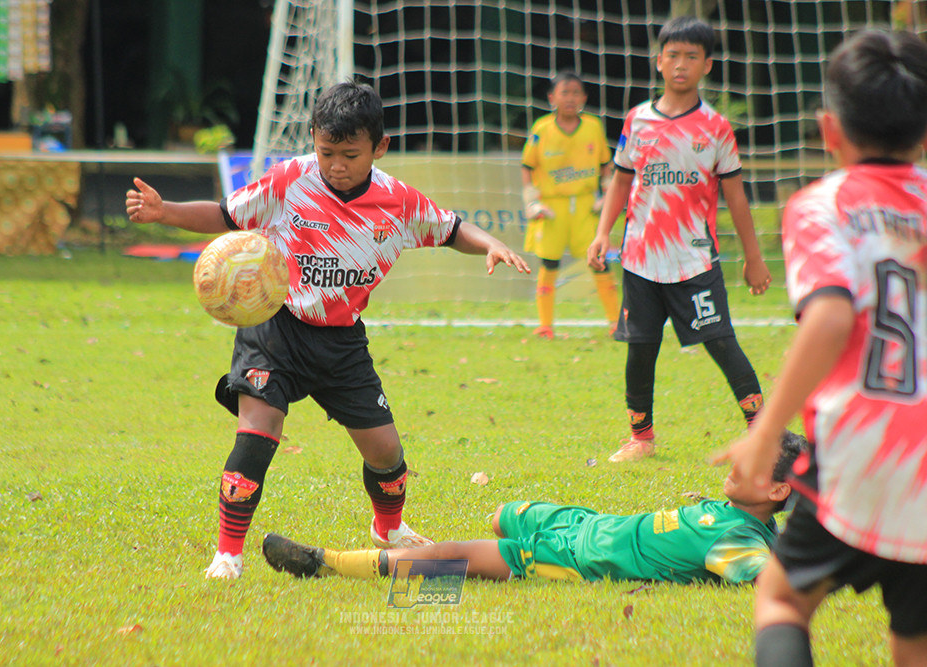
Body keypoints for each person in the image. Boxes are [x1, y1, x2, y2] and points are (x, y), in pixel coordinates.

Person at [125, 81, 531, 580]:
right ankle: (227, 555)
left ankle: (390, 529)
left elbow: (451, 229)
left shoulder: (396, 202)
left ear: (379, 148)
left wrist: (489, 243)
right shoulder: (291, 179)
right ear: (313, 139)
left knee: (387, 454)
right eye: (326, 152)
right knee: (258, 429)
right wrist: (165, 213)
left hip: (341, 342)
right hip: (275, 327)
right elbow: (228, 215)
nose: (336, 165)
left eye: (350, 155)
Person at [714, 30, 927, 666]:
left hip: (861, 454)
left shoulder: (822, 205)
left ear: (828, 129)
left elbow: (831, 315)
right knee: (914, 640)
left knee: (781, 599)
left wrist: (764, 432)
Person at [263, 432, 806, 585]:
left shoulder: (740, 542)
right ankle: (433, 552)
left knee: (456, 560)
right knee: (503, 511)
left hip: (577, 556)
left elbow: (771, 577)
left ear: (779, 491)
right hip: (588, 522)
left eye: (752, 461)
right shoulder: (738, 516)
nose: (734, 463)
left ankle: (325, 563)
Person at [586, 16, 771, 463]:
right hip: (640, 260)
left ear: (707, 65)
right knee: (640, 350)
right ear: (658, 62)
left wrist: (754, 257)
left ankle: (763, 433)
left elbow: (736, 197)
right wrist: (601, 233)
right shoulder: (638, 120)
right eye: (673, 55)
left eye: (691, 56)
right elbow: (620, 181)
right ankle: (641, 439)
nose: (681, 64)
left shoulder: (716, 127)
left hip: (695, 262)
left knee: (722, 342)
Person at [522, 71, 620, 339]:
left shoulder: (592, 127)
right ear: (552, 97)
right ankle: (545, 326)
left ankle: (615, 322)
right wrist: (532, 201)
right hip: (553, 208)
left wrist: (606, 195)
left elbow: (605, 167)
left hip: (586, 206)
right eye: (564, 92)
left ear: (584, 98)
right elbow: (528, 167)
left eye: (576, 93)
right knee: (549, 264)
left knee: (599, 260)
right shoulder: (541, 129)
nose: (570, 98)